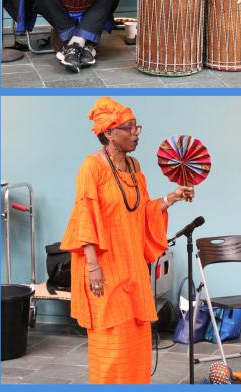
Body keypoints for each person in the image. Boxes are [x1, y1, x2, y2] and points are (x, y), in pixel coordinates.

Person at [60, 97, 194, 384]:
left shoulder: (134, 165)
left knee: (136, 340)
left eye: (137, 127)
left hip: (131, 268)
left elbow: (142, 211)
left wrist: (172, 197)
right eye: (129, 127)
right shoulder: (91, 167)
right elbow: (85, 217)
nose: (135, 133)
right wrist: (93, 267)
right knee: (111, 344)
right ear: (109, 133)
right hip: (103, 269)